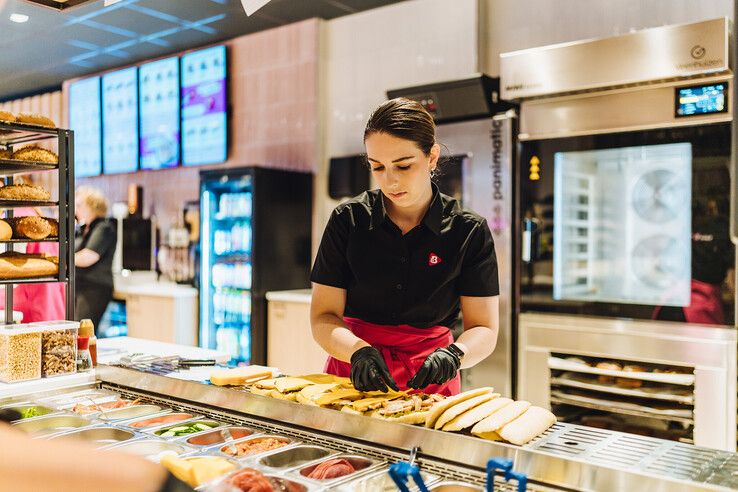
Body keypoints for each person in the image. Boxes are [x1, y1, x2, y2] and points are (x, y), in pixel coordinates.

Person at [310, 98, 500, 396]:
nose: (391, 180)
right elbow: (323, 316)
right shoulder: (347, 221)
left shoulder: (468, 230)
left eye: (404, 165)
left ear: (432, 157)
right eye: (378, 167)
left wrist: (455, 354)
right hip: (353, 373)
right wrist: (357, 351)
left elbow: (485, 329)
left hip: (431, 377)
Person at [75, 186, 117, 331]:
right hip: (80, 286)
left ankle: (88, 355)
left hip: (94, 288)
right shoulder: (82, 229)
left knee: (83, 332)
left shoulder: (103, 228)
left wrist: (60, 262)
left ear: (92, 206)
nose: (76, 209)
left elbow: (88, 256)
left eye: (79, 205)